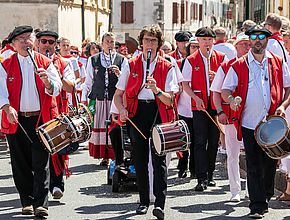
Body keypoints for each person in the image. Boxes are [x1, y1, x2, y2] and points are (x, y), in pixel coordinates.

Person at [221, 24, 290, 218]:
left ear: (267, 39)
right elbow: (225, 91)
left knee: (270, 164)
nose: (257, 39)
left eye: (261, 36)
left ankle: (266, 194)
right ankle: (257, 205)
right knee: (253, 164)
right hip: (249, 123)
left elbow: (288, 89)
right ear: (249, 41)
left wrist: (283, 106)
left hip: (272, 125)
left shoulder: (277, 62)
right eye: (254, 37)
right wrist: (231, 101)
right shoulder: (239, 65)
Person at [114, 24, 178, 219]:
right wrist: (122, 110)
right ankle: (143, 201)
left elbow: (171, 100)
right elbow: (118, 94)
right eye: (147, 40)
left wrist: (157, 89)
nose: (150, 44)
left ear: (159, 44)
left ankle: (159, 203)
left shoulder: (168, 65)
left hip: (158, 111)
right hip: (137, 112)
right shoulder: (130, 63)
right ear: (141, 42)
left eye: (154, 41)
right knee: (139, 159)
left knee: (159, 160)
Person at [0, 25, 62, 217]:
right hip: (16, 119)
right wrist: (6, 107)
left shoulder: (44, 61)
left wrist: (48, 83)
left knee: (41, 162)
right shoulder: (5, 64)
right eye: (21, 39)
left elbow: (57, 87)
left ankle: (41, 204)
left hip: (41, 119)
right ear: (13, 44)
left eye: (29, 38)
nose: (26, 42)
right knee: (20, 162)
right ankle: (26, 200)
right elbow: (1, 91)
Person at [182, 26, 227, 191]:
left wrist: (217, 78)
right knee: (200, 141)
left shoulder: (222, 58)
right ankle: (201, 178)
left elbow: (228, 82)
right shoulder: (191, 60)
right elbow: (185, 85)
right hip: (199, 103)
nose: (207, 43)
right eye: (203, 40)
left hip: (216, 103)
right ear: (198, 41)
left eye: (209, 40)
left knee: (214, 140)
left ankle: (210, 174)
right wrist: (195, 98)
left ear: (213, 41)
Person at [210, 32, 250, 202]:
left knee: (252, 155)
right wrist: (220, 111)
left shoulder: (259, 65)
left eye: (249, 44)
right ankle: (235, 190)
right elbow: (216, 92)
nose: (248, 47)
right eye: (244, 44)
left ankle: (251, 189)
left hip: (250, 117)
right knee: (233, 155)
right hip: (231, 117)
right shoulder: (226, 66)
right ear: (236, 47)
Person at [36, 30, 75, 200]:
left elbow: (71, 87)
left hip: (58, 112)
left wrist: (55, 76)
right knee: (38, 151)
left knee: (57, 149)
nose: (47, 45)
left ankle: (57, 184)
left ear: (56, 45)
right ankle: (39, 188)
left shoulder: (65, 63)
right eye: (44, 41)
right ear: (38, 43)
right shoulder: (32, 60)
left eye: (51, 42)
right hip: (37, 112)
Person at [81, 32, 128, 166]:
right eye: (107, 41)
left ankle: (115, 156)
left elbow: (126, 81)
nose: (110, 44)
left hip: (115, 100)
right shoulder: (93, 60)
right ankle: (104, 156)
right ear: (102, 43)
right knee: (101, 126)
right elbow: (88, 81)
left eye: (112, 42)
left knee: (114, 127)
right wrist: (84, 99)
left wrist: (119, 73)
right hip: (100, 98)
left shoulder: (121, 59)